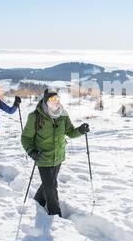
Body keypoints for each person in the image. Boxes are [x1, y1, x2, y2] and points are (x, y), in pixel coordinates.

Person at [21, 89, 90, 217]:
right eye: (52, 100)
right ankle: (55, 214)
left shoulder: (63, 115)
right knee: (51, 187)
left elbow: (70, 132)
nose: (55, 102)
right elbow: (26, 138)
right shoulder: (35, 116)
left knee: (49, 183)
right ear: (46, 102)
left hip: (58, 156)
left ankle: (37, 202)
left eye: (57, 99)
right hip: (42, 156)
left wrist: (80, 130)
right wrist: (31, 152)